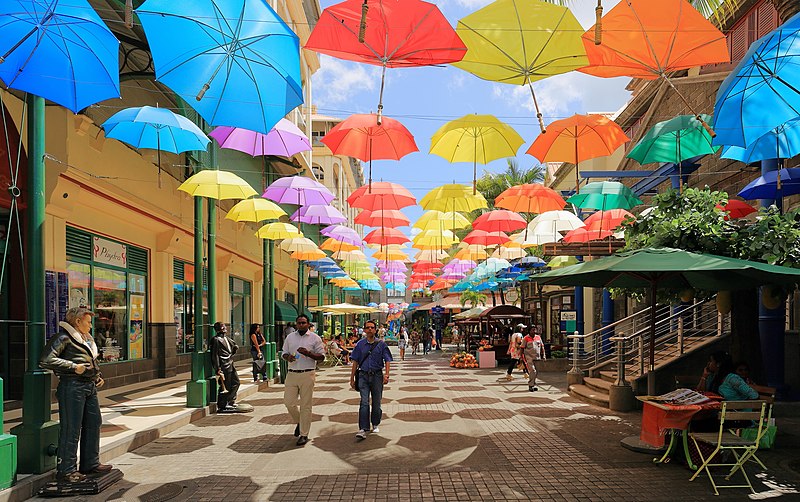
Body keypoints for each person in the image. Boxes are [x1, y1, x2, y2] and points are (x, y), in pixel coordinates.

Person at [40, 307, 112, 483]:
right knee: (72, 428)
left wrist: (96, 377)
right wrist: (73, 367)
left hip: (88, 387)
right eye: (88, 322)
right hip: (72, 387)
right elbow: (46, 360)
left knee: (94, 423)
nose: (91, 326)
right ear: (78, 322)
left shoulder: (85, 339)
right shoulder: (63, 338)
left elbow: (88, 362)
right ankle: (66, 470)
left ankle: (90, 463)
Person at [282, 314, 325, 446]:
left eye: (303, 323)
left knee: (306, 405)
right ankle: (300, 421)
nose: (301, 325)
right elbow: (284, 352)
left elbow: (322, 357)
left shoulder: (315, 338)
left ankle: (304, 434)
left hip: (308, 374)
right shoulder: (290, 337)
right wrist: (288, 357)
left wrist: (309, 353)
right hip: (292, 373)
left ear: (308, 324)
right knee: (288, 402)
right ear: (296, 324)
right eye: (299, 323)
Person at [350, 320, 392, 439]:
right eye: (367, 327)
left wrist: (387, 374)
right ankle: (363, 428)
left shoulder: (381, 344)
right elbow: (355, 362)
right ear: (364, 330)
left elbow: (387, 359)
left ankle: (375, 423)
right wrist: (352, 378)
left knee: (376, 402)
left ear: (375, 330)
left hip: (377, 376)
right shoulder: (360, 344)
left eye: (372, 328)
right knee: (364, 402)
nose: (370, 330)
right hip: (363, 375)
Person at [211, 322, 240, 412]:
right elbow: (214, 355)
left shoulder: (227, 339)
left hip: (230, 363)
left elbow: (232, 348)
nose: (225, 328)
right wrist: (217, 368)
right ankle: (222, 405)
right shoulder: (216, 339)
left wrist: (234, 349)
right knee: (225, 386)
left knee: (236, 383)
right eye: (222, 327)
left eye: (224, 326)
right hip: (223, 365)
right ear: (219, 329)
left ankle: (230, 400)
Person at [521, 327, 545, 392]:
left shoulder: (538, 337)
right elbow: (522, 348)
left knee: (536, 372)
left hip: (537, 357)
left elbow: (542, 346)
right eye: (532, 330)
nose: (534, 331)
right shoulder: (525, 338)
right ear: (529, 331)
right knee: (532, 371)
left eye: (535, 330)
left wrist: (544, 355)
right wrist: (521, 358)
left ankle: (533, 384)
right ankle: (531, 385)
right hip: (529, 357)